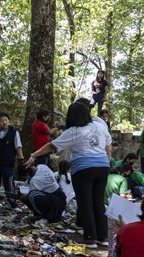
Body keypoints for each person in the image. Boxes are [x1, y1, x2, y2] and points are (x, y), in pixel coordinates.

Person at [27, 102, 112, 248]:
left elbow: (51, 146)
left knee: (85, 202)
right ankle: (103, 237)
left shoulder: (73, 131)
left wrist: (34, 154)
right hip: (102, 166)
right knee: (98, 201)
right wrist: (107, 163)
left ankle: (90, 238)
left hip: (83, 169)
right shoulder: (100, 126)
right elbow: (108, 145)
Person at [0, 112, 25, 209]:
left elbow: (18, 146)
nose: (4, 122)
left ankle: (13, 204)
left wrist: (21, 159)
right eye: (1, 121)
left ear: (9, 121)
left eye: (6, 120)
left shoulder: (14, 132)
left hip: (8, 163)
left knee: (9, 184)